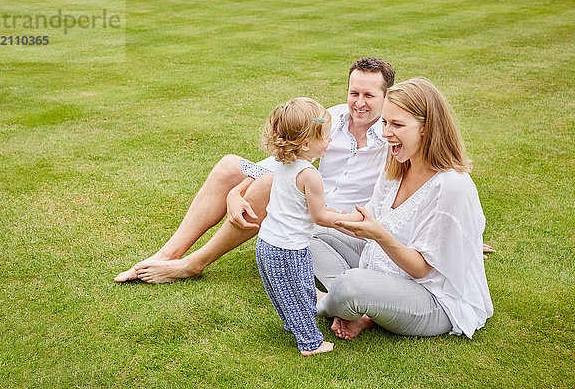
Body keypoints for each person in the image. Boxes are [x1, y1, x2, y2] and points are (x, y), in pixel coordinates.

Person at [114, 57, 396, 283]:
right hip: (308, 196)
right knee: (229, 166)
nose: (359, 102)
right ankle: (168, 253)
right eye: (354, 92)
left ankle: (193, 264)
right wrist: (237, 191)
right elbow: (288, 157)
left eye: (369, 95)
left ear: (387, 96)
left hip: (334, 222)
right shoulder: (330, 117)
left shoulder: (392, 136)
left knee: (266, 186)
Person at [315, 78, 494, 340]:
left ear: (427, 128)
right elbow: (369, 218)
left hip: (430, 298)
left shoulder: (451, 187)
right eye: (385, 122)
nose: (386, 133)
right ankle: (362, 305)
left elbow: (422, 269)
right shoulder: (398, 162)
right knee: (311, 232)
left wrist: (380, 235)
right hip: (380, 266)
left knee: (350, 285)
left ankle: (324, 301)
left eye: (397, 125)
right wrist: (319, 215)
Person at [256, 97, 363, 356]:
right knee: (302, 294)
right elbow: (319, 217)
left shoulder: (284, 163)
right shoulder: (309, 175)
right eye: (325, 136)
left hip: (266, 242)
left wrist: (329, 211)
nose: (330, 141)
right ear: (306, 144)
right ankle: (310, 343)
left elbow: (302, 205)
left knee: (282, 292)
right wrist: (349, 221)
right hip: (289, 249)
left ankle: (291, 325)